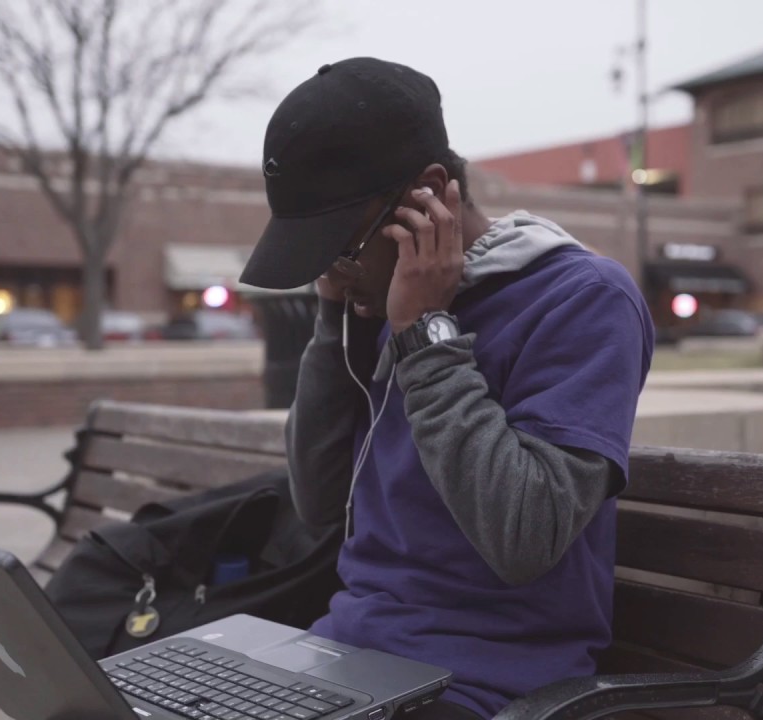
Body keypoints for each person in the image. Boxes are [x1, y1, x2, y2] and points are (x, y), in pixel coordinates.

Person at [239, 58, 654, 719]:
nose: (333, 274)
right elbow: (317, 502)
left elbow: (524, 537)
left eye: (340, 248)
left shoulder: (581, 300)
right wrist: (338, 319)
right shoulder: (380, 303)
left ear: (428, 197)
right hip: (345, 658)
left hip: (484, 686)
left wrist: (426, 335)